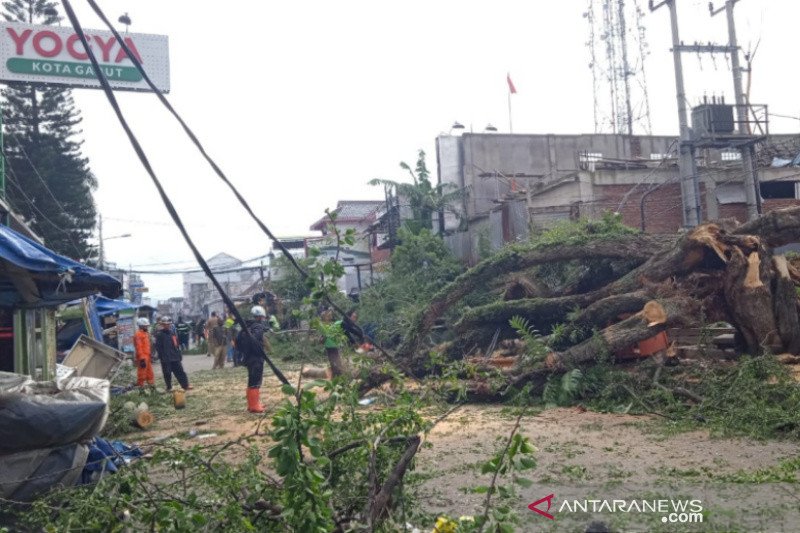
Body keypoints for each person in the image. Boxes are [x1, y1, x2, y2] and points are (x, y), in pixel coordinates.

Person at [236, 305, 272, 413]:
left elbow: (238, 341)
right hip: (256, 357)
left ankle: (252, 404)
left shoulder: (246, 327)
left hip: (248, 357)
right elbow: (255, 340)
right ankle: (254, 406)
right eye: (262, 317)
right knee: (255, 381)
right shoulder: (257, 328)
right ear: (260, 317)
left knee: (251, 380)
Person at [154, 316, 192, 392]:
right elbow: (158, 347)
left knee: (180, 371)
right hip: (165, 358)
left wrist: (179, 353)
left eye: (168, 324)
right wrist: (161, 356)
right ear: (162, 325)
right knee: (167, 373)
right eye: (165, 324)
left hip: (175, 356)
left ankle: (185, 385)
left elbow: (176, 344)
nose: (167, 325)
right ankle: (169, 387)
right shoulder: (159, 335)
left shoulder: (172, 333)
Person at [133, 317, 155, 389]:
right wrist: (142, 358)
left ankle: (151, 384)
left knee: (149, 371)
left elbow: (148, 345)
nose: (147, 327)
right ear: (141, 326)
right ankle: (140, 385)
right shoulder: (138, 335)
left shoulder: (145, 333)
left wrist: (150, 354)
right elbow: (139, 347)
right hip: (142, 356)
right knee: (142, 372)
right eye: (146, 326)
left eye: (147, 325)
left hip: (147, 355)